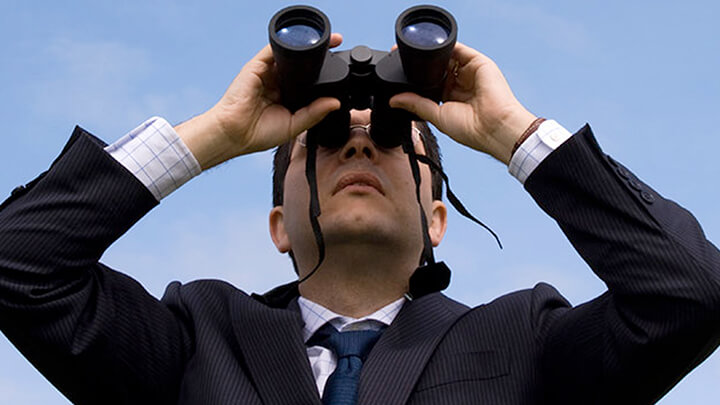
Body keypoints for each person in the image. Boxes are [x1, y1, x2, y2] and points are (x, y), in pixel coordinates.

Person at [0, 29, 718, 405]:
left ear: (437, 219)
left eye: (396, 139)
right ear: (279, 226)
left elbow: (690, 294)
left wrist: (513, 133)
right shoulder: (197, 336)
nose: (358, 141)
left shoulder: (525, 340)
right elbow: (16, 264)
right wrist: (216, 133)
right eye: (318, 140)